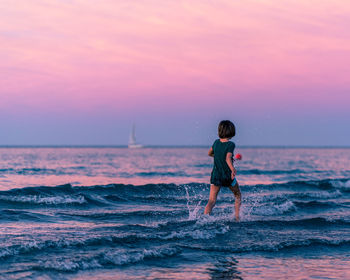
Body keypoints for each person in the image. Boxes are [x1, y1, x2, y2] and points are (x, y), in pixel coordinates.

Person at [204, 120, 241, 221]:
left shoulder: (216, 142)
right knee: (237, 195)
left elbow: (210, 153)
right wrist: (233, 169)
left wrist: (218, 157)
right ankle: (237, 218)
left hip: (215, 176)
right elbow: (227, 158)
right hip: (227, 176)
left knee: (211, 200)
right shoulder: (231, 144)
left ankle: (204, 219)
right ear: (231, 131)